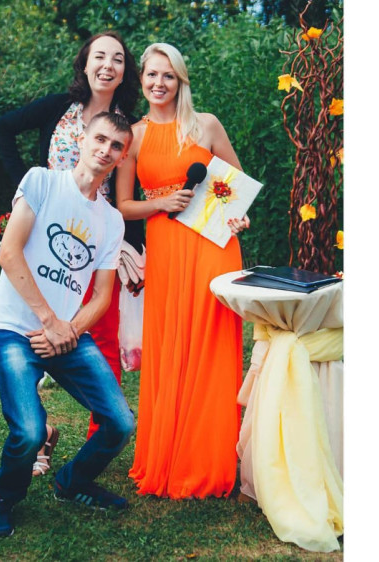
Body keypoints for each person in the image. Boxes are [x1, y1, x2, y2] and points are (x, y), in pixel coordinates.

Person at [0, 32, 144, 475]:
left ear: (125, 71)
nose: (108, 65)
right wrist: (25, 185)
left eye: (118, 59)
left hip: (97, 239)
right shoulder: (60, 107)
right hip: (42, 227)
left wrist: (133, 244)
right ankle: (38, 432)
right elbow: (3, 127)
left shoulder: (130, 127)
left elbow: (129, 189)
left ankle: (103, 431)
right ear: (86, 62)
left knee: (101, 334)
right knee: (12, 330)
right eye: (100, 56)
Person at [0, 112, 136, 538]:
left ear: (123, 157)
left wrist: (68, 331)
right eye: (100, 139)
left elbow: (102, 296)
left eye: (116, 146)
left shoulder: (112, 220)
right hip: (15, 328)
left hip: (67, 335)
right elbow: (9, 252)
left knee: (120, 422)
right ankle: (4, 496)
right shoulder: (41, 182)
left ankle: (73, 482)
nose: (105, 150)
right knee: (30, 430)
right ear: (82, 139)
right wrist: (50, 321)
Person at [115, 43, 250, 500]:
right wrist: (160, 203)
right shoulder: (133, 136)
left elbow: (236, 187)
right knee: (172, 341)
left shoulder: (206, 125)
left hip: (214, 245)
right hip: (167, 247)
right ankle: (171, 453)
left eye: (168, 75)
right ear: (142, 80)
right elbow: (123, 205)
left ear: (180, 81)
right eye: (152, 74)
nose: (159, 83)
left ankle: (209, 458)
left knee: (210, 342)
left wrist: (239, 216)